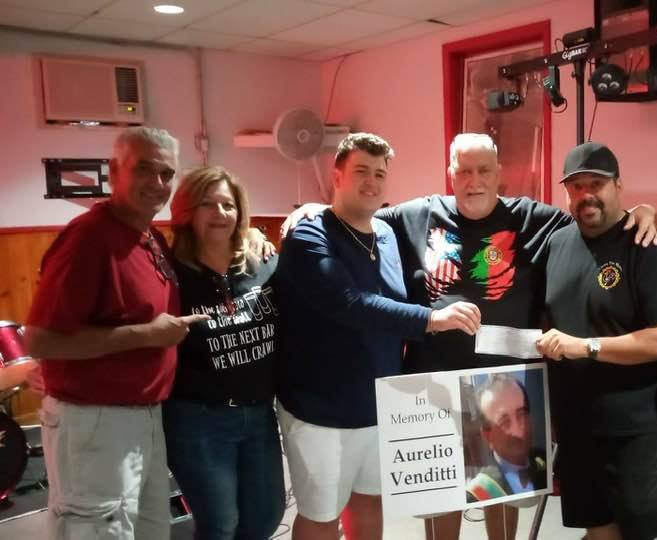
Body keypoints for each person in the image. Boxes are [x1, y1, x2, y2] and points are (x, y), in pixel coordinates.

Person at [282, 132, 657, 540]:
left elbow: (595, 218)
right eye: (463, 171)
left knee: (501, 499)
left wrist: (642, 213)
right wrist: (318, 209)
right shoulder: (416, 215)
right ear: (451, 173)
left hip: (506, 387)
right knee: (441, 501)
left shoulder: (532, 218)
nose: (473, 181)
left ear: (499, 173)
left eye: (483, 170)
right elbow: (356, 217)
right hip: (430, 388)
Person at [275, 132, 481, 540]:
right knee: (321, 515)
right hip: (321, 410)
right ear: (337, 175)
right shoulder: (310, 236)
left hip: (379, 403)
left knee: (370, 503)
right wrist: (434, 319)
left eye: (379, 174)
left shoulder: (386, 234)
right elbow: (352, 303)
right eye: (361, 171)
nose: (371, 182)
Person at [23, 127, 209, 540]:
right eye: (144, 169)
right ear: (113, 171)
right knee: (98, 531)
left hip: (145, 415)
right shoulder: (89, 237)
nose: (157, 183)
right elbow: (40, 339)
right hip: (95, 420)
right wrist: (145, 335)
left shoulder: (150, 236)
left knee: (147, 530)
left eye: (167, 173)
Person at [536, 142, 657, 540]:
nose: (586, 194)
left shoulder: (646, 244)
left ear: (618, 186)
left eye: (596, 184)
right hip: (575, 428)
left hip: (634, 432)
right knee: (599, 531)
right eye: (576, 186)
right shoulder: (556, 243)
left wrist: (587, 346)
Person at [162, 166, 285, 539]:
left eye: (228, 205)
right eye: (207, 204)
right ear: (187, 212)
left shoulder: (262, 261)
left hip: (259, 415)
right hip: (199, 421)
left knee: (265, 517)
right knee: (219, 525)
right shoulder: (171, 272)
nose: (219, 213)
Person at [465, 374, 547, 503]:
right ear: (487, 436)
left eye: (521, 415)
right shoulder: (480, 491)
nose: (517, 429)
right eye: (504, 422)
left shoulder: (545, 461)